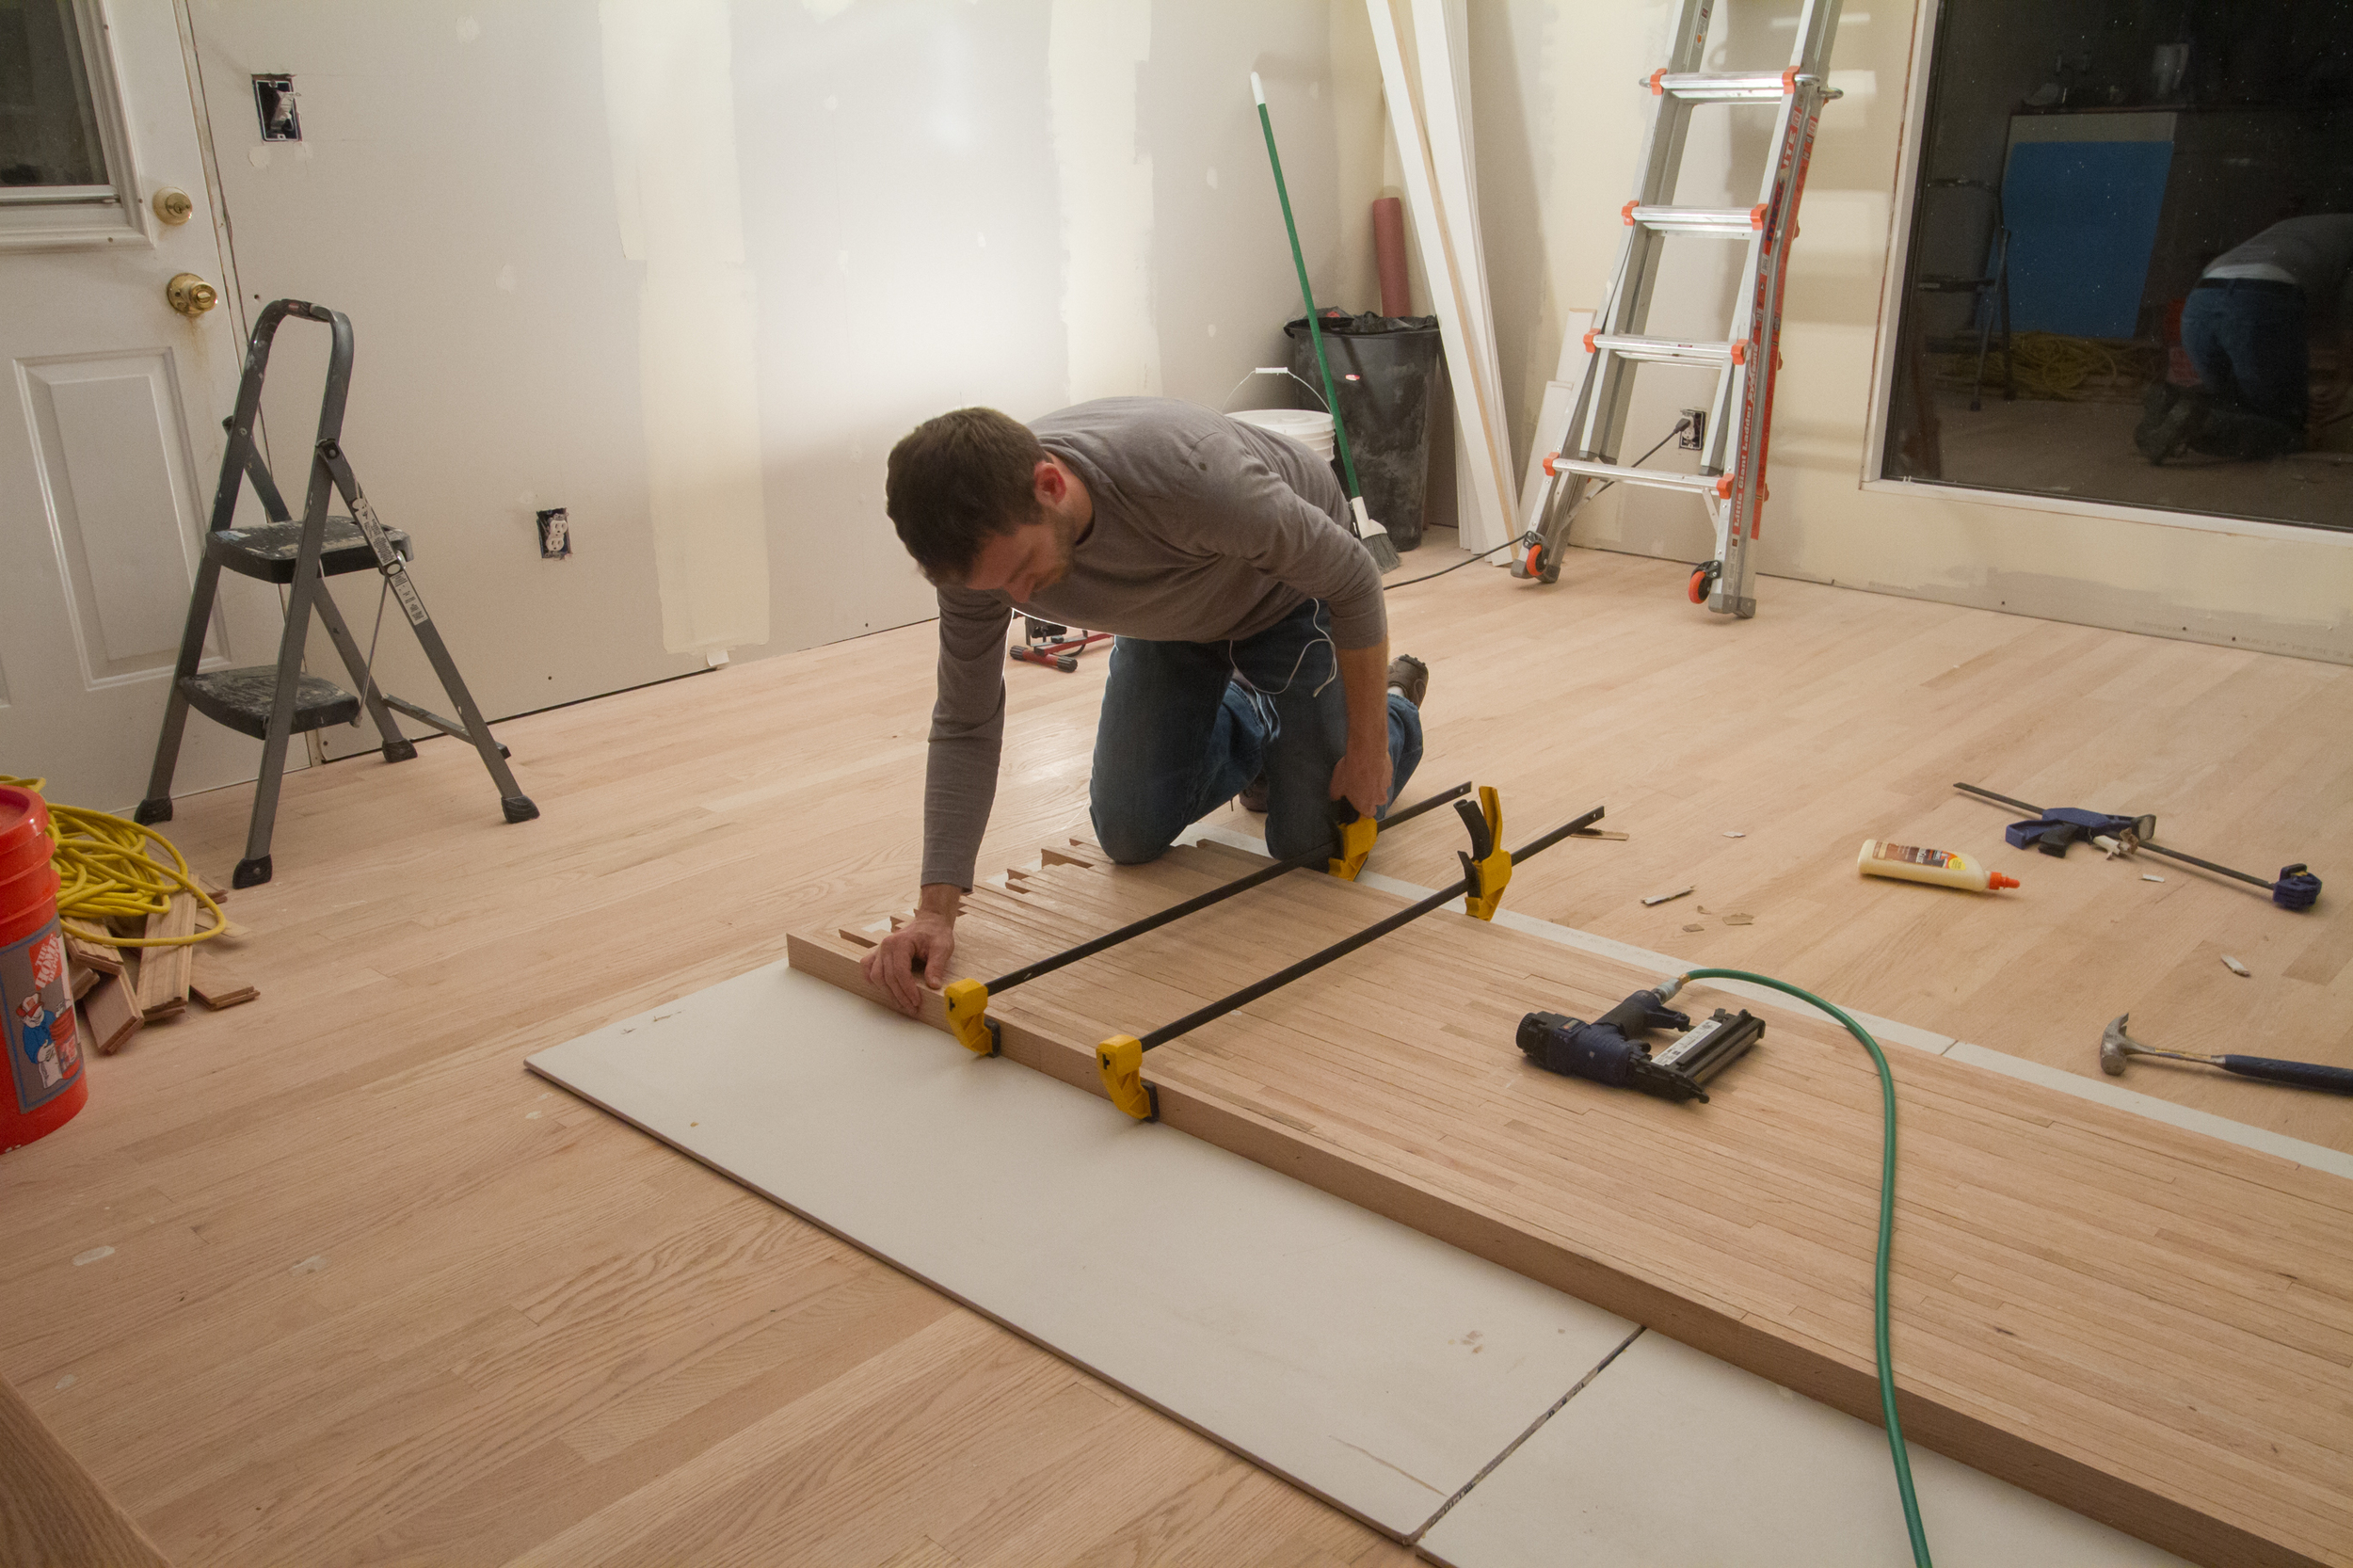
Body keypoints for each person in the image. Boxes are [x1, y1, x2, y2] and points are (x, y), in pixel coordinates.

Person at [859, 397, 1427, 1016]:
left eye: (1022, 569)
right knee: (1129, 832)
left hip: (1286, 594)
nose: (1015, 598)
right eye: (995, 587)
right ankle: (1266, 720)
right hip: (1168, 617)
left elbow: (1353, 578)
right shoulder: (980, 562)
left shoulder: (1192, 479)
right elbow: (966, 720)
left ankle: (1392, 705)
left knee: (1309, 844)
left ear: (1051, 484)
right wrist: (935, 912)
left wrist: (1367, 744)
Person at [2138, 214, 2353, 462]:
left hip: (2200, 304)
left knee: (2236, 402)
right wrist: (2341, 383)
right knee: (2289, 428)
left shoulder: (2309, 228)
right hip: (2257, 302)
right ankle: (2203, 424)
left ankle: (2171, 406)